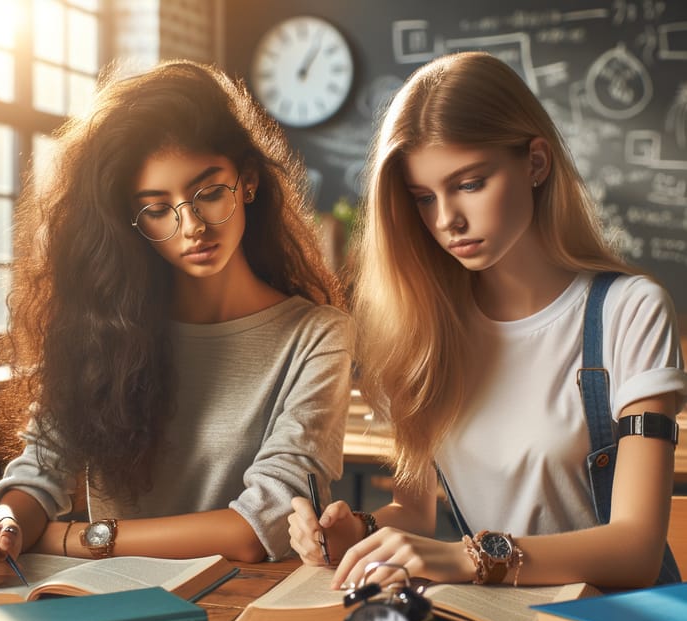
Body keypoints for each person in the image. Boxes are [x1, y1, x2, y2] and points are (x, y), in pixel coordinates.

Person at [289, 51, 687, 591]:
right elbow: (417, 515)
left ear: (536, 163)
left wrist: (472, 558)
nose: (447, 220)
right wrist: (358, 533)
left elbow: (637, 549)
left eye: (470, 183)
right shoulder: (426, 328)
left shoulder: (630, 312)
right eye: (424, 198)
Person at [0, 59, 354, 585]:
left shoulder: (318, 335)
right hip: (105, 597)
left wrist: (78, 538)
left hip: (244, 608)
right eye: (158, 209)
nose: (192, 227)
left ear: (247, 181)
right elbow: (40, 469)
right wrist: (7, 528)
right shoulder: (103, 328)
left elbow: (258, 527)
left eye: (208, 193)